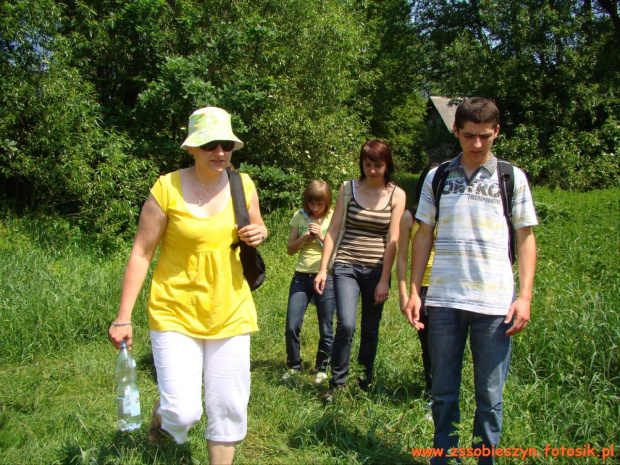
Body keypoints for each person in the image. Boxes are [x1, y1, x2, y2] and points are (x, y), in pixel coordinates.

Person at [108, 106, 267, 465]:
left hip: (230, 307)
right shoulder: (167, 188)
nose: (220, 152)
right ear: (192, 148)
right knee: (183, 411)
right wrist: (123, 316)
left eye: (226, 144)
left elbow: (257, 225)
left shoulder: (243, 185)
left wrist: (260, 232)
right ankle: (163, 412)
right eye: (210, 144)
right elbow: (141, 252)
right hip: (174, 308)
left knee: (227, 405)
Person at [404, 97, 537, 464]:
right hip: (444, 300)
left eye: (484, 136)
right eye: (468, 136)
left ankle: (484, 460)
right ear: (455, 132)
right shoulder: (438, 176)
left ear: (496, 131)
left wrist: (524, 296)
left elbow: (525, 237)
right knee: (443, 393)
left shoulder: (511, 177)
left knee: (490, 399)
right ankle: (443, 458)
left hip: (495, 305)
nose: (477, 145)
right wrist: (415, 291)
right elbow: (423, 234)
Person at [314, 139, 406, 401]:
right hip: (346, 265)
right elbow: (332, 230)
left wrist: (385, 280)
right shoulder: (348, 189)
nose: (373, 170)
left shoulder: (397, 194)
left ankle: (364, 381)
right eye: (368, 165)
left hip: (377, 269)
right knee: (346, 323)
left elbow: (393, 239)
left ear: (387, 164)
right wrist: (323, 269)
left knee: (370, 329)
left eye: (378, 165)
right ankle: (337, 384)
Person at [282, 180, 335, 385]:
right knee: (292, 324)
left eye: (319, 204)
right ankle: (294, 365)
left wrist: (321, 236)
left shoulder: (333, 217)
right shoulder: (299, 216)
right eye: (311, 203)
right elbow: (290, 249)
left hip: (326, 276)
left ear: (326, 202)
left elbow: (337, 251)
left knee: (326, 326)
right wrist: (303, 239)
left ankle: (322, 368)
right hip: (301, 276)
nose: (314, 208)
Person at [396, 163, 436, 397]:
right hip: (422, 289)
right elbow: (401, 258)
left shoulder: (454, 213)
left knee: (447, 348)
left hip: (450, 287)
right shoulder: (410, 217)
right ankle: (434, 396)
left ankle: (446, 395)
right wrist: (404, 293)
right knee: (429, 346)